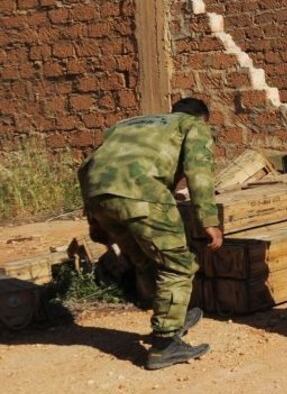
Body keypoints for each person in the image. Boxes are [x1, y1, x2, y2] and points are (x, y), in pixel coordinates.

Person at [79, 97, 222, 370]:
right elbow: (199, 171)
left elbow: (88, 165)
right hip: (141, 193)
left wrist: (95, 220)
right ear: (203, 118)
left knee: (145, 260)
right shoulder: (193, 125)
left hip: (98, 194)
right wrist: (208, 219)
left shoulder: (126, 125)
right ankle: (165, 343)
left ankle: (168, 315)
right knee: (178, 264)